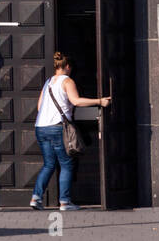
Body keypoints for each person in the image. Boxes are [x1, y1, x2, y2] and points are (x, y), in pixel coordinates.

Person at [31, 51, 111, 211]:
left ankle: (36, 198)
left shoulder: (48, 82)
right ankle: (65, 202)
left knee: (49, 164)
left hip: (41, 127)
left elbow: (39, 107)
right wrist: (100, 101)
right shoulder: (67, 81)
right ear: (67, 67)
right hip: (57, 127)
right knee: (66, 164)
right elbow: (76, 101)